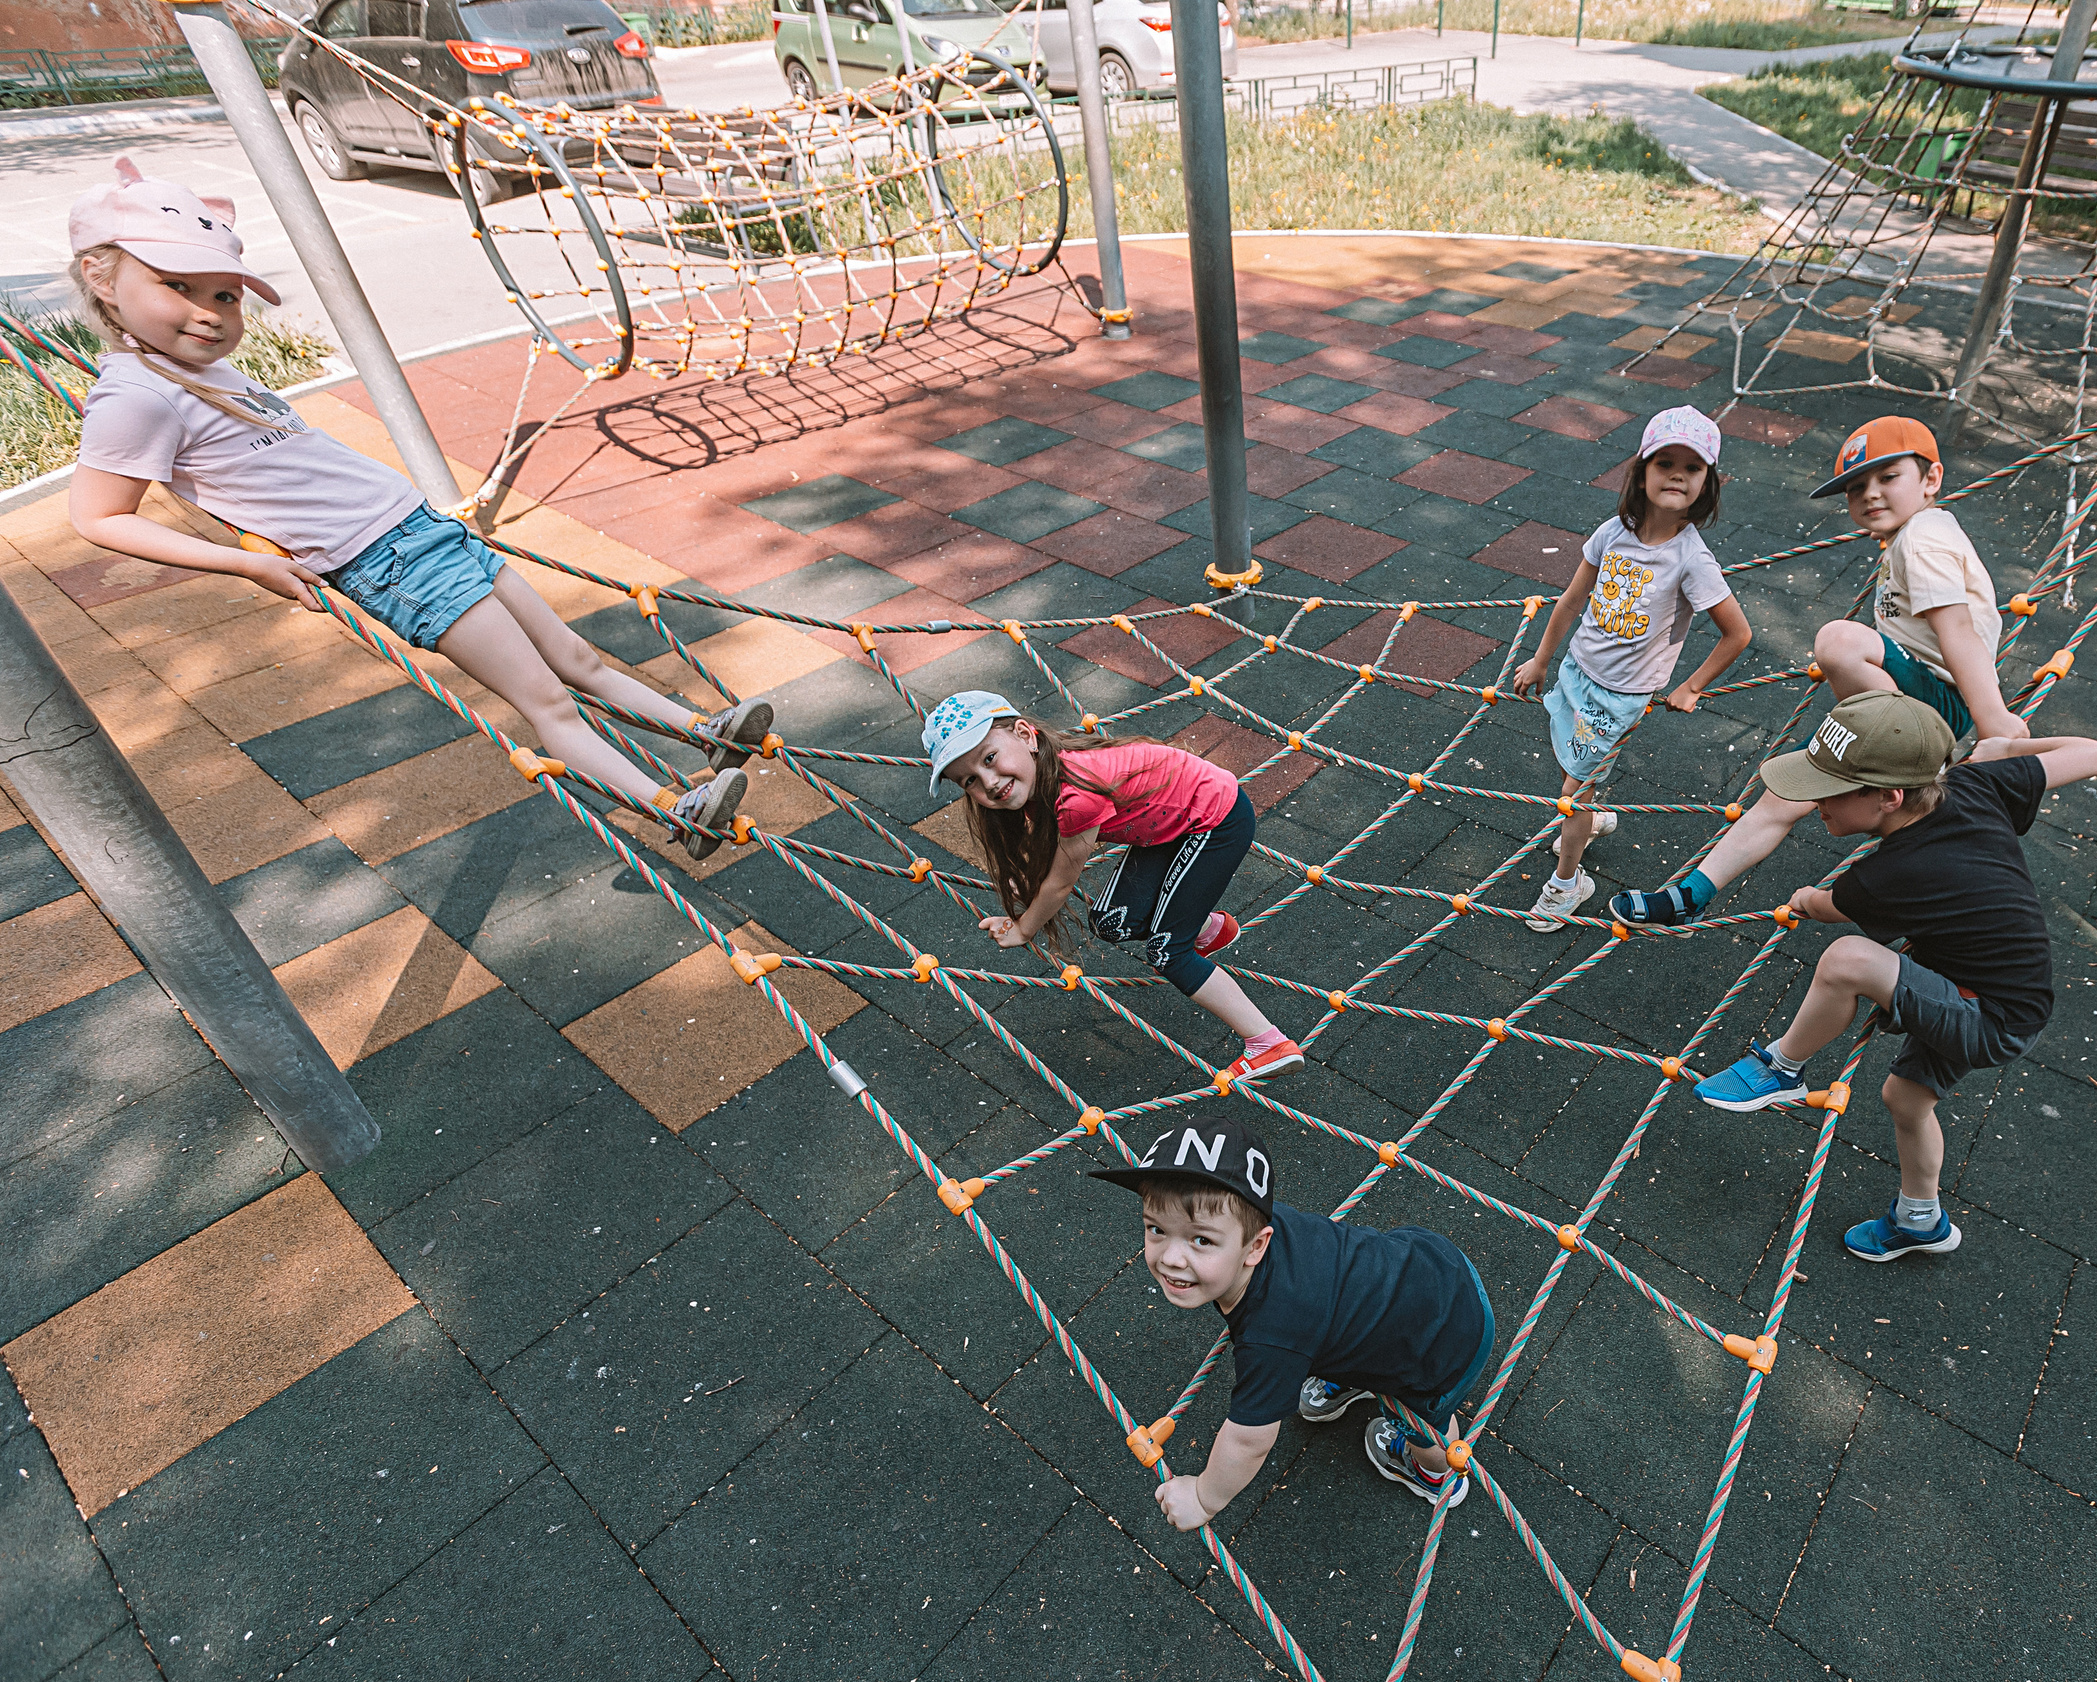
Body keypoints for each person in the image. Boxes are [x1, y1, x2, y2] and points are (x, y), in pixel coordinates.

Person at [61, 159, 764, 859]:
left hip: (424, 529)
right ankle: (676, 811)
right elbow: (98, 517)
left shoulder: (197, 367)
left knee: (575, 655)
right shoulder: (136, 395)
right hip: (389, 564)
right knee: (547, 701)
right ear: (102, 279)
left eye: (226, 295)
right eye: (177, 286)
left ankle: (705, 734)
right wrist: (247, 564)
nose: (210, 313)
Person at [1689, 691, 2097, 1261]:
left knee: (1847, 960)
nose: (1816, 803)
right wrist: (2006, 749)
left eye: (1831, 791)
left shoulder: (1890, 873)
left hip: (1989, 1015)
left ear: (1889, 797)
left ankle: (1782, 1068)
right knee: (1905, 1099)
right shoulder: (1973, 784)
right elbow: (2093, 753)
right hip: (2008, 993)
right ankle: (1920, 1220)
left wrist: (1805, 897)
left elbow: (1824, 906)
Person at [1611, 416, 2027, 927]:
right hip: (1909, 692)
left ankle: (1924, 761)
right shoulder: (1915, 532)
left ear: (1931, 479)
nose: (1870, 494)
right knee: (1791, 788)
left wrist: (1994, 722)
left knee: (1839, 640)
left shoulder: (1923, 540)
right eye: (1856, 488)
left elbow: (1957, 628)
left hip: (1934, 701)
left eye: (1888, 477)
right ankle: (1690, 895)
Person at [1089, 1120, 1499, 1525]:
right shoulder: (1252, 1218)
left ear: (1256, 1245)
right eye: (1157, 1229)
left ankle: (1432, 1473)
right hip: (1428, 1261)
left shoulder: (1272, 1335)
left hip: (1446, 1338)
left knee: (1425, 1427)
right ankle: (1353, 1372)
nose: (1171, 1257)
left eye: (1202, 1240)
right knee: (1348, 1310)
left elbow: (1249, 1440)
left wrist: (1203, 1498)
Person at [926, 692, 1303, 1083]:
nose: (988, 782)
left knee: (1167, 952)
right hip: (1169, 826)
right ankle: (1208, 929)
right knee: (1112, 922)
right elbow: (1046, 848)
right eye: (969, 780)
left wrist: (1024, 928)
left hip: (1215, 820)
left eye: (989, 758)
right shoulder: (1045, 773)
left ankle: (1268, 1043)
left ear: (1025, 735)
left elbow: (1060, 883)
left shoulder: (1077, 794)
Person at [1509, 405, 1751, 932]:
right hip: (1576, 671)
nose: (1678, 475)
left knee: (1571, 794)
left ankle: (1569, 883)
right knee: (1573, 774)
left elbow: (1738, 633)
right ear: (1641, 473)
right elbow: (1572, 599)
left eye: (1692, 467)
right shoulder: (1613, 533)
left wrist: (1692, 686)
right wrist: (1542, 658)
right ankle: (1592, 817)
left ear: (1706, 484)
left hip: (1619, 698)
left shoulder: (1691, 559)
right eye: (1665, 463)